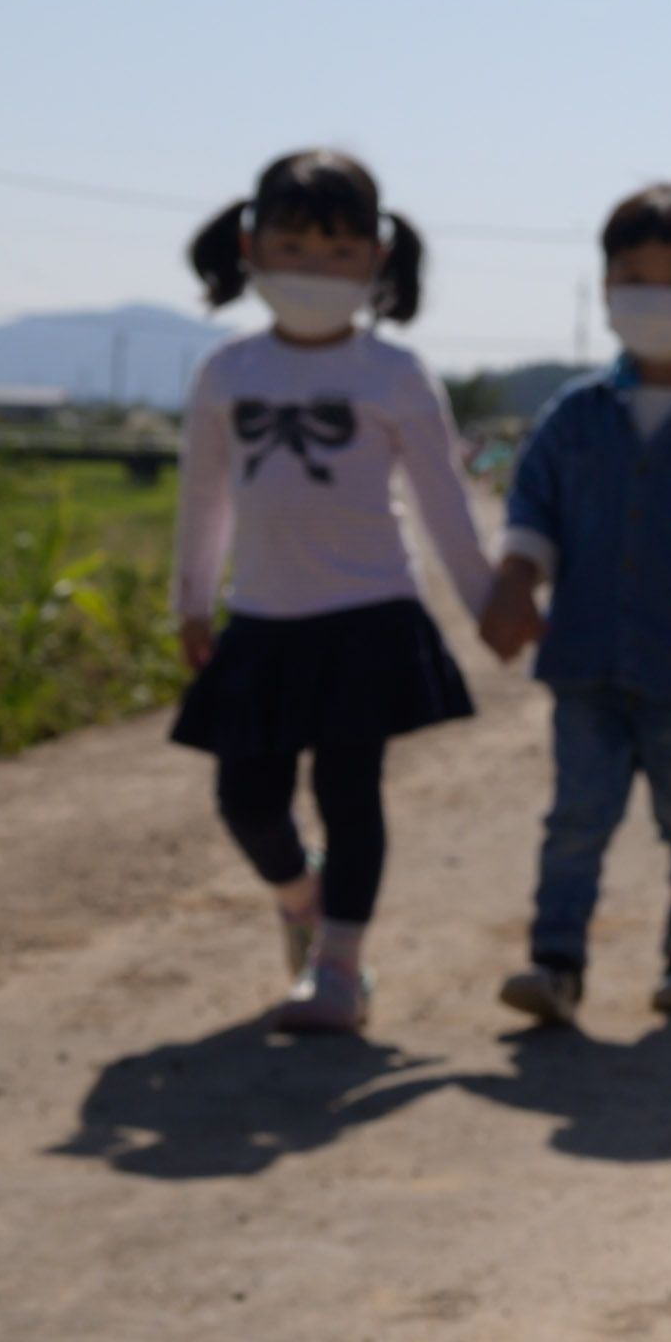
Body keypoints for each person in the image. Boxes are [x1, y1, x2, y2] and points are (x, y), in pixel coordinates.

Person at [168, 149, 507, 1038]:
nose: (315, 271)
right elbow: (202, 498)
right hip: (262, 621)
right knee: (246, 796)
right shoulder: (225, 372)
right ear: (250, 246)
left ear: (376, 261)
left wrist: (489, 609)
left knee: (352, 792)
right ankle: (300, 899)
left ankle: (340, 972)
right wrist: (191, 603)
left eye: (339, 252)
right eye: (294, 247)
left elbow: (446, 509)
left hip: (369, 618)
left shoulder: (395, 375)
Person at [478, 183, 671, 1027]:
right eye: (635, 274)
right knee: (576, 816)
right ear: (606, 284)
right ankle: (556, 962)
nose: (656, 294)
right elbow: (531, 512)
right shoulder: (573, 416)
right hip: (585, 660)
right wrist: (513, 584)